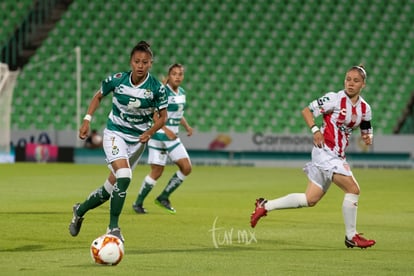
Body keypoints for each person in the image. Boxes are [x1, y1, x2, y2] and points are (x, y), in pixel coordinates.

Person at [250, 65, 376, 249]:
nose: (350, 83)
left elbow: (366, 127)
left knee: (310, 199)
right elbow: (307, 111)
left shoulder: (365, 108)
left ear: (363, 84)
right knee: (353, 189)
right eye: (348, 79)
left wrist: (368, 137)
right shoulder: (334, 98)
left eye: (356, 81)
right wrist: (315, 129)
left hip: (337, 156)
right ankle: (351, 236)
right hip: (325, 152)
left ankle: (265, 205)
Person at [69, 41, 168, 242]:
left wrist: (150, 131)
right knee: (124, 175)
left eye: (145, 62)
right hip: (115, 134)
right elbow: (98, 97)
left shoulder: (157, 88)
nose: (140, 65)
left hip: (138, 141)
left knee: (108, 190)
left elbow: (163, 117)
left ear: (151, 64)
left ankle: (80, 210)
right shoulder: (117, 80)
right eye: (137, 61)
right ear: (131, 62)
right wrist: (87, 120)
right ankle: (113, 228)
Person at [132, 63, 193, 214]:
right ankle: (149, 200)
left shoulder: (181, 93)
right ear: (169, 75)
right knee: (174, 169)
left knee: (171, 169)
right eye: (174, 74)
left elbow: (178, 113)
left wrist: (186, 126)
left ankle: (154, 199)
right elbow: (154, 113)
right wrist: (166, 130)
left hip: (170, 136)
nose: (178, 77)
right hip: (161, 135)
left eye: (180, 74)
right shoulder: (163, 91)